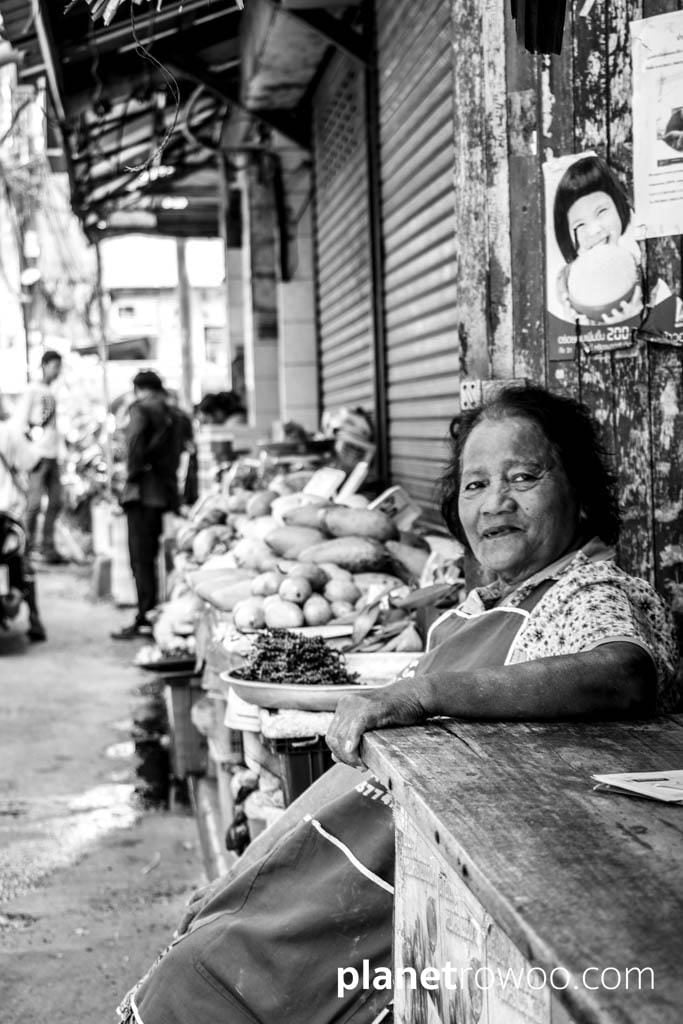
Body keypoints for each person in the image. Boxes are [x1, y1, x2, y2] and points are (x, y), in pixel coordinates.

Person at [117, 385, 678, 1024]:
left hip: (460, 914)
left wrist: (421, 692)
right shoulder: (475, 607)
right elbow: (353, 770)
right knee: (197, 965)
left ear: (579, 494)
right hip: (349, 885)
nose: (496, 502)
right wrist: (246, 867)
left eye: (524, 477)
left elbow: (620, 670)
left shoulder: (594, 591)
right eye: (475, 485)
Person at [111, 371, 184, 640]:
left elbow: (135, 446)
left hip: (142, 494)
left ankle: (145, 616)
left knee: (140, 560)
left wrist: (129, 478)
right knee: (154, 557)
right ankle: (153, 614)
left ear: (139, 389)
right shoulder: (175, 415)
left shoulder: (140, 410)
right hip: (163, 494)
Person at [14, 349, 66, 563]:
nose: (57, 371)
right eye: (54, 366)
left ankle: (47, 547)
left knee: (56, 501)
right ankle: (24, 550)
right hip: (37, 455)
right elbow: (20, 423)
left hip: (53, 455)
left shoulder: (52, 391)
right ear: (44, 365)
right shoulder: (32, 390)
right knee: (34, 504)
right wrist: (26, 451)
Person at [0, 418, 47, 641]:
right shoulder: (10, 431)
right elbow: (33, 462)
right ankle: (35, 619)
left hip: (10, 513)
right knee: (23, 563)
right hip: (9, 511)